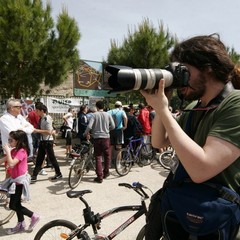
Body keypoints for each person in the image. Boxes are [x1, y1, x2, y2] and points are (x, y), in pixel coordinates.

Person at [141, 34, 240, 240]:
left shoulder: (236, 104)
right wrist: (162, 106)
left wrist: (163, 110)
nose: (178, 79)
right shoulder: (195, 107)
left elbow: (201, 170)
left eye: (182, 71)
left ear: (208, 68)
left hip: (221, 224)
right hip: (186, 216)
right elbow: (159, 142)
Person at [0, 130, 40, 234]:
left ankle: (33, 216)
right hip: (14, 180)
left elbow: (12, 164)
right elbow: (3, 160)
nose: (9, 141)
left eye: (11, 140)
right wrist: (8, 153)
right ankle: (21, 224)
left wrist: (8, 152)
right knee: (16, 204)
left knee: (13, 205)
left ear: (18, 141)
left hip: (20, 182)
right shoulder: (14, 150)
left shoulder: (21, 151)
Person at [0, 99, 34, 178]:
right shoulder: (4, 119)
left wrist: (21, 129)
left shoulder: (19, 117)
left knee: (21, 173)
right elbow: (14, 134)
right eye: (19, 107)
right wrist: (23, 128)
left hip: (21, 150)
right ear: (12, 108)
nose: (21, 108)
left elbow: (31, 128)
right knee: (10, 174)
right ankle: (6, 189)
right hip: (11, 151)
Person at [84, 100, 115, 183]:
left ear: (97, 107)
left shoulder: (94, 115)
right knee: (107, 155)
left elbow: (89, 126)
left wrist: (85, 133)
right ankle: (106, 172)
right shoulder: (108, 114)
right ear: (103, 107)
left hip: (96, 138)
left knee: (98, 156)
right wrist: (107, 129)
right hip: (106, 138)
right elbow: (113, 126)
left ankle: (99, 176)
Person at [31, 104, 62, 182]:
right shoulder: (41, 119)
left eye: (37, 110)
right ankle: (34, 176)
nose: (36, 112)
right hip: (42, 141)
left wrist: (37, 130)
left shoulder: (47, 119)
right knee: (39, 159)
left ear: (42, 111)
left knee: (52, 158)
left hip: (48, 141)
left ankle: (58, 173)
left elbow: (49, 132)